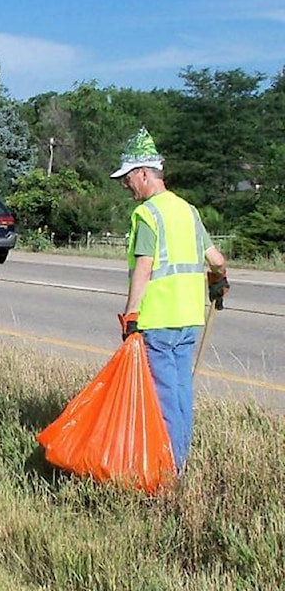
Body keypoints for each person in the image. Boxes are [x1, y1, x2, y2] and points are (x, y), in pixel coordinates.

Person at [111, 127, 229, 473]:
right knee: (180, 394)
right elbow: (217, 259)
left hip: (158, 321)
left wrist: (131, 315)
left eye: (128, 177)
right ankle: (179, 460)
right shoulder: (187, 210)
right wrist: (218, 282)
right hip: (190, 317)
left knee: (163, 397)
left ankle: (168, 470)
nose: (125, 185)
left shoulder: (147, 214)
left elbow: (144, 268)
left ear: (144, 174)